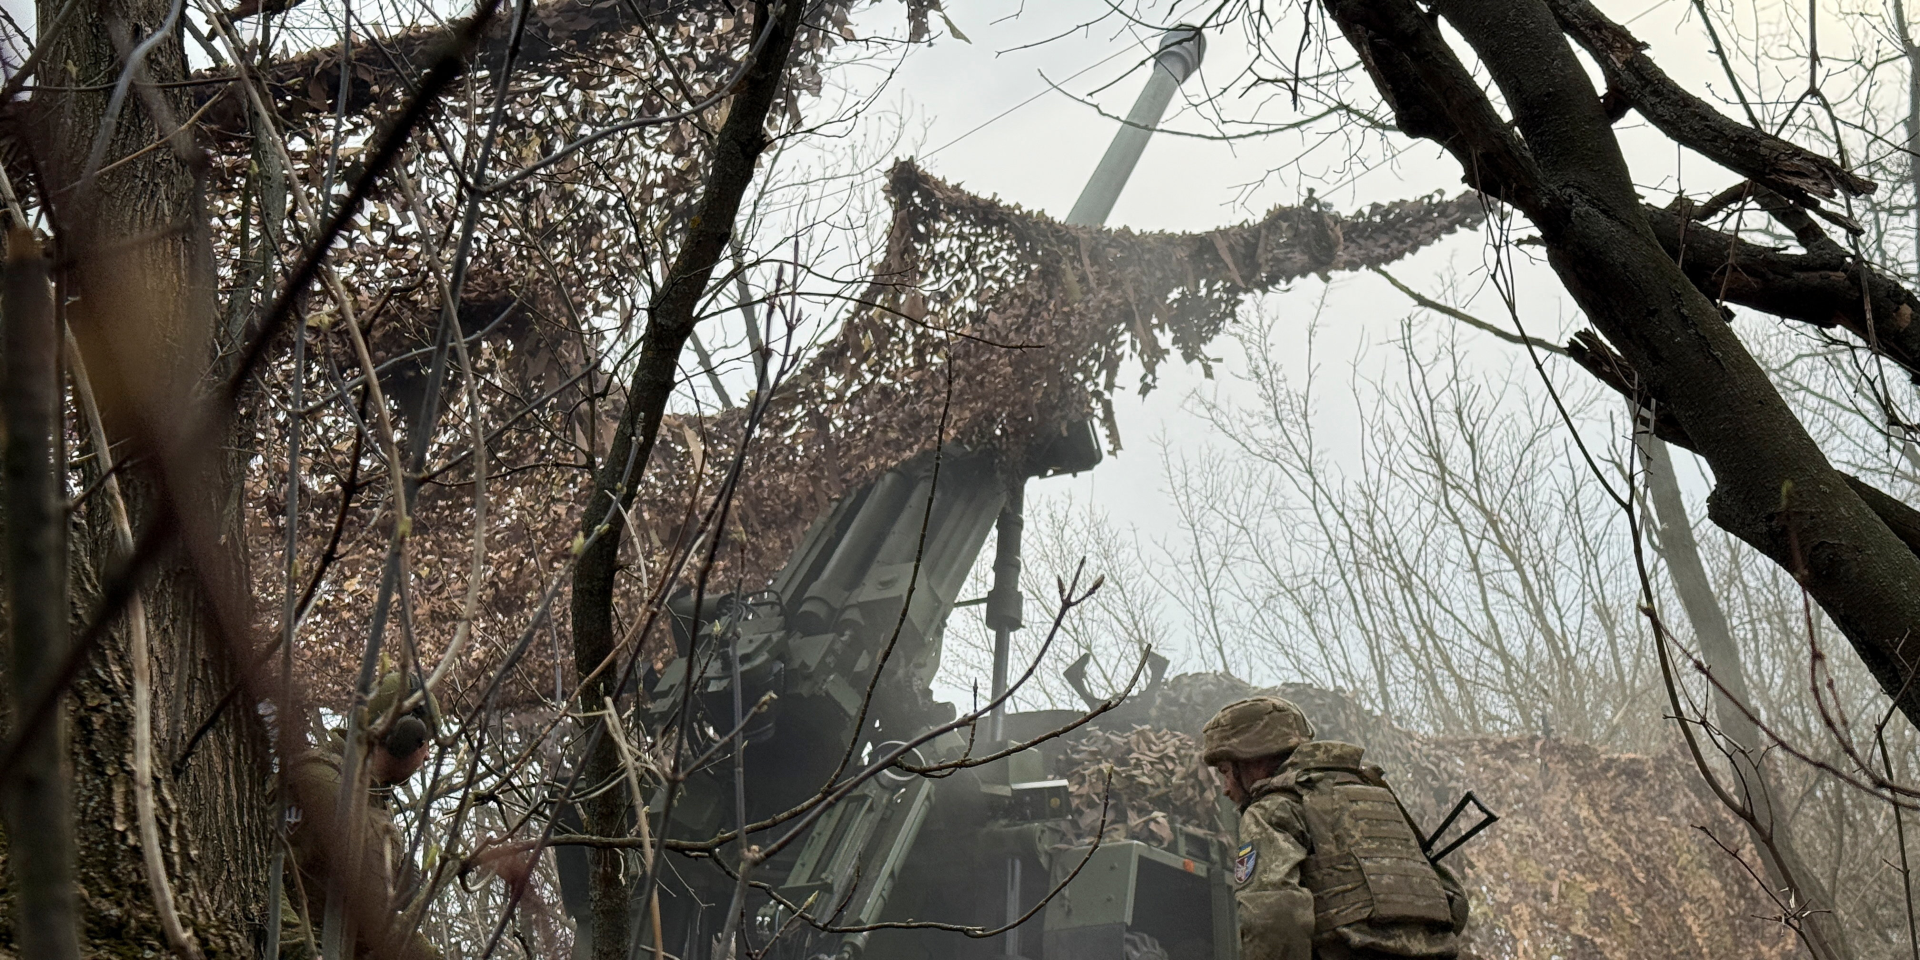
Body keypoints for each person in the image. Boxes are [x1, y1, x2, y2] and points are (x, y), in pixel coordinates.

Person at [1202, 696, 1469, 960]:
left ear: (1253, 762)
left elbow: (1273, 914)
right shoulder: (1372, 794)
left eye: (1225, 771)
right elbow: (1454, 900)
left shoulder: (1274, 808)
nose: (1225, 789)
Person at [279, 672, 441, 960]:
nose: (427, 756)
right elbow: (265, 877)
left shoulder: (374, 802)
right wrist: (300, 949)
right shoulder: (319, 783)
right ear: (405, 735)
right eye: (427, 742)